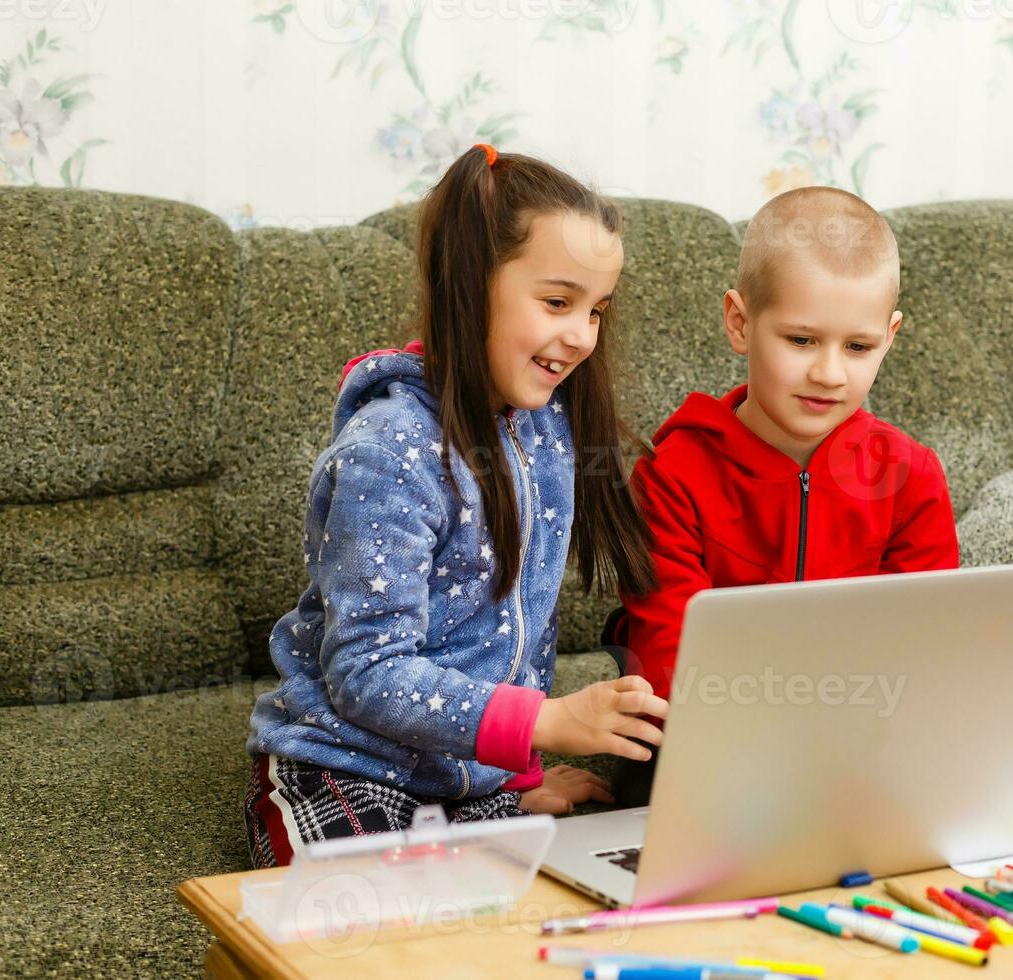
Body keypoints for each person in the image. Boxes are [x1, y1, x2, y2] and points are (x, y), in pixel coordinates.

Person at [244, 144, 666, 869]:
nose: (581, 336)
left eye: (596, 310)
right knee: (375, 931)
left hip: (469, 782)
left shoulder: (548, 428)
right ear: (471, 285)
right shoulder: (390, 452)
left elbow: (519, 630)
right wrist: (550, 720)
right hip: (348, 768)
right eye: (557, 302)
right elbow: (367, 674)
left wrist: (516, 776)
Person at [605, 186, 961, 805]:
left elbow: (926, 647)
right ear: (740, 323)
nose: (828, 373)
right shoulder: (671, 474)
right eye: (801, 340)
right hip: (706, 745)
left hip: (862, 741)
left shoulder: (912, 476)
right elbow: (673, 662)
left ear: (890, 336)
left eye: (858, 346)